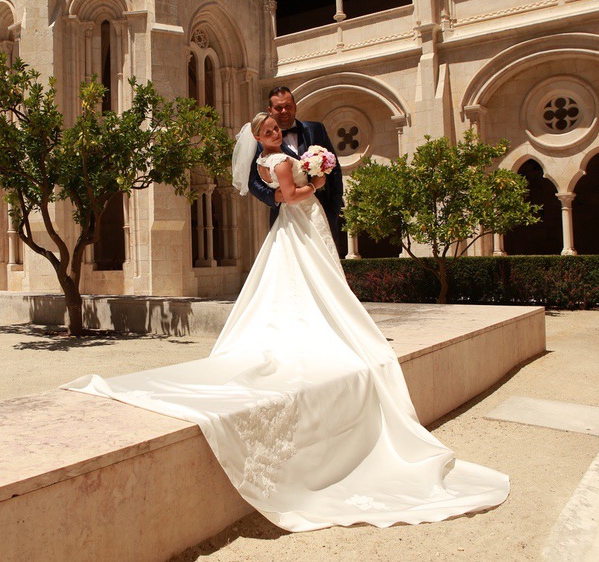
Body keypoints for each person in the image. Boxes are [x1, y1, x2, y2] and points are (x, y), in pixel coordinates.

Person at [66, 113, 509, 531]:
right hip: (301, 218)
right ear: (259, 137)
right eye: (269, 130)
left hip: (298, 223)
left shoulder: (273, 158)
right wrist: (316, 180)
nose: (275, 132)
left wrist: (310, 173)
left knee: (303, 275)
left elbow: (282, 194)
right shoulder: (277, 161)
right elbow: (290, 196)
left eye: (276, 128)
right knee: (312, 275)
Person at [247, 86, 343, 247]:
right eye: (278, 108)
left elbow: (334, 170)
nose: (284, 111)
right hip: (286, 217)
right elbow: (252, 182)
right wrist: (273, 196)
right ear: (270, 110)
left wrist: (333, 210)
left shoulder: (316, 130)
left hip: (321, 213)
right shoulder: (260, 145)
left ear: (295, 106)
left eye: (288, 106)